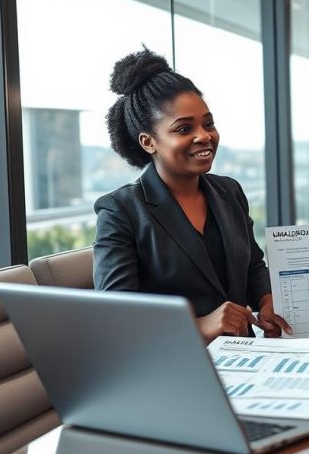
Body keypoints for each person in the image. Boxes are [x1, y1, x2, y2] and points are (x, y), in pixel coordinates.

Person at [93, 48, 291, 342]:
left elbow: (252, 266)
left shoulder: (229, 191)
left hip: (246, 355)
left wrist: (265, 298)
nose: (204, 136)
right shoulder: (121, 210)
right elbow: (118, 316)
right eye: (184, 128)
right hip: (175, 362)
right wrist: (200, 325)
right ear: (149, 142)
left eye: (208, 123)